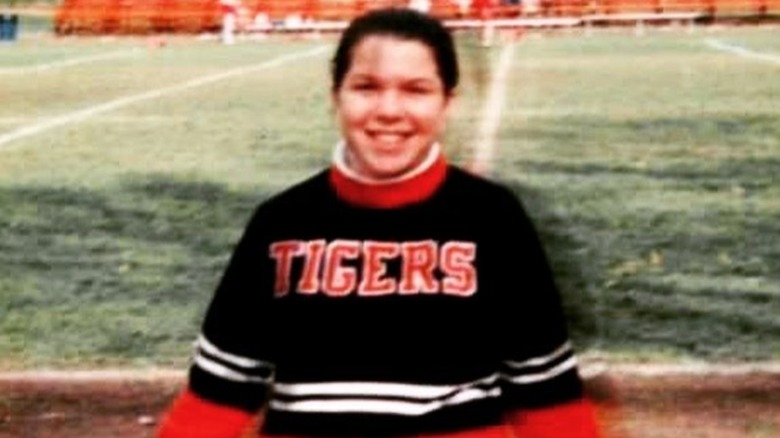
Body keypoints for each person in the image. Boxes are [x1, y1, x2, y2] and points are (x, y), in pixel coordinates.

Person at [156, 8, 601, 438]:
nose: (389, 109)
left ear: (447, 103)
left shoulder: (493, 218)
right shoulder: (281, 224)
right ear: (336, 97)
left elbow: (548, 398)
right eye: (366, 87)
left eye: (416, 89)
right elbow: (217, 395)